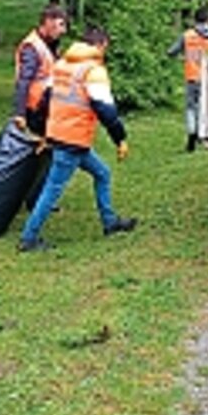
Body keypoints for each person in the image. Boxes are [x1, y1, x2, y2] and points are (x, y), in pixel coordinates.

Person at [18, 28, 136, 252]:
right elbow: (106, 111)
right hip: (72, 139)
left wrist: (45, 132)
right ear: (100, 45)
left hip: (64, 135)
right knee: (52, 189)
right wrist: (120, 139)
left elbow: (44, 100)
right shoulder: (93, 71)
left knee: (102, 173)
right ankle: (28, 238)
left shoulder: (61, 65)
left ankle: (110, 222)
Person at [12, 5, 68, 211]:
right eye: (60, 25)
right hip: (36, 110)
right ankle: (37, 200)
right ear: (48, 22)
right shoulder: (32, 47)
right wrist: (19, 113)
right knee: (51, 153)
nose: (63, 30)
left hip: (46, 107)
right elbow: (23, 81)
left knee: (45, 153)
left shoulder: (48, 44)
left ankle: (34, 197)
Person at [167, 7, 208, 152]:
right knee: (205, 107)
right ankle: (203, 135)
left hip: (191, 76)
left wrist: (182, 56)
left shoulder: (187, 35)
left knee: (191, 107)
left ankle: (191, 132)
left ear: (194, 20)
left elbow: (171, 52)